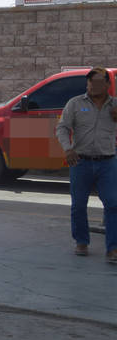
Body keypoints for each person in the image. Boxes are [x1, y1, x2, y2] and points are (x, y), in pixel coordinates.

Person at [55, 67, 117, 262]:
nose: (93, 86)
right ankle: (81, 241)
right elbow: (62, 128)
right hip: (80, 162)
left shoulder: (115, 106)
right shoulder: (75, 103)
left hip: (107, 163)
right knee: (79, 205)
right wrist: (68, 149)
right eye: (90, 82)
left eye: (98, 82)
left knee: (113, 204)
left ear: (107, 85)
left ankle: (113, 248)